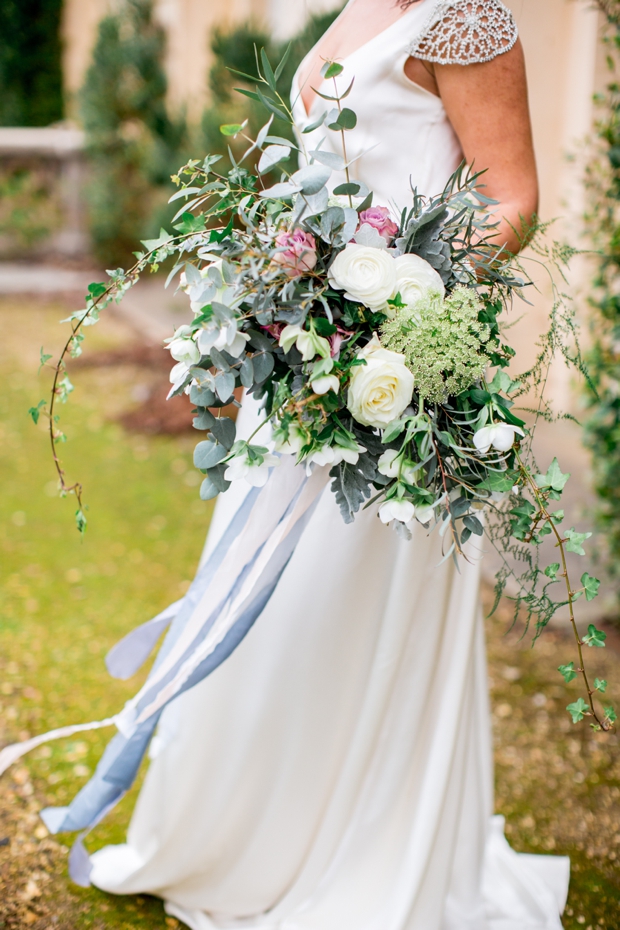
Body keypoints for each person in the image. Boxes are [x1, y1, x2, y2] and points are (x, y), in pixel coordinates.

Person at [89, 2, 570, 927]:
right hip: (304, 367)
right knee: (265, 604)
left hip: (390, 371)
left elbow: (511, 197)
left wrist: (397, 299)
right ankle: (237, 839)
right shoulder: (356, 5)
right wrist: (277, 279)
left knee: (343, 603)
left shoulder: (466, 18)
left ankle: (354, 859)